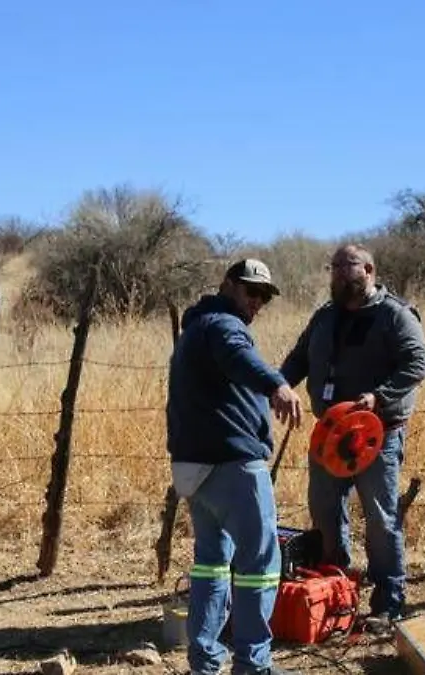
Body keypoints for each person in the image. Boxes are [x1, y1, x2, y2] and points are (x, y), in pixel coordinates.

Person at [279, 244, 425, 633]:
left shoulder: (395, 314)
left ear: (369, 270)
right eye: (335, 267)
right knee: (324, 512)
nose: (340, 274)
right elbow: (298, 359)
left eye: (348, 266)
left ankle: (388, 604)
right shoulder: (324, 317)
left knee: (380, 519)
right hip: (330, 435)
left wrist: (380, 396)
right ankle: (336, 594)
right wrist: (279, 385)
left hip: (375, 436)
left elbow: (417, 363)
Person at [166, 259, 303, 675]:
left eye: (264, 296)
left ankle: (204, 662)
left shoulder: (196, 329)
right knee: (259, 567)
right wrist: (277, 384)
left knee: (211, 564)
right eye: (251, 291)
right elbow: (239, 357)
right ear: (227, 285)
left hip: (195, 470)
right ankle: (253, 664)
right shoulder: (224, 326)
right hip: (233, 465)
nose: (257, 301)